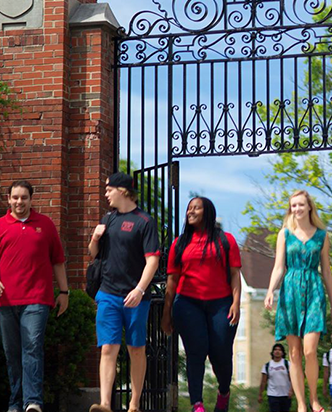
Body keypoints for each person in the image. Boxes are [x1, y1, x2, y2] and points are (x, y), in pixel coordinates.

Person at [0, 180, 69, 412]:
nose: (19, 202)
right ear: (8, 199)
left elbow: (58, 261)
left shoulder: (45, 225)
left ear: (31, 199)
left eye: (24, 197)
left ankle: (33, 402)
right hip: (4, 301)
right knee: (12, 354)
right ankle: (15, 402)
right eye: (15, 197)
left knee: (32, 347)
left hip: (37, 300)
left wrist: (64, 292)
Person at [88, 173, 160, 412]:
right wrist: (95, 238)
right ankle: (106, 404)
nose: (106, 193)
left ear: (123, 190)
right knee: (108, 347)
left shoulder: (145, 221)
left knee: (136, 349)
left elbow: (152, 261)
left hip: (135, 298)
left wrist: (140, 290)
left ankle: (134, 404)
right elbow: (93, 254)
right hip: (108, 293)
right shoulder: (107, 219)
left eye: (109, 189)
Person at [161, 196, 241, 412]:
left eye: (196, 208)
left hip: (221, 303)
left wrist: (236, 303)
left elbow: (234, 274)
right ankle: (197, 404)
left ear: (208, 212)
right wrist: (166, 313)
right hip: (187, 304)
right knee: (195, 352)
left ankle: (224, 392)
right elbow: (172, 281)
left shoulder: (226, 240)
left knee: (221, 353)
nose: (190, 212)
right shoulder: (180, 243)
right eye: (189, 208)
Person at [264, 190, 332, 412]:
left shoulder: (322, 236)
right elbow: (279, 267)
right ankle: (301, 404)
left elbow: (326, 271)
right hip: (290, 293)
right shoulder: (284, 234)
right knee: (294, 353)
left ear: (309, 208)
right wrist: (270, 291)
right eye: (293, 206)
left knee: (309, 350)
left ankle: (314, 399)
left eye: (300, 205)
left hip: (314, 291)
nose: (296, 209)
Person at [258, 343, 293, 412]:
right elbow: (263, 381)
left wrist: (291, 390)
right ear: (272, 352)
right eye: (275, 350)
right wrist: (260, 394)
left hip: (285, 394)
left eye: (279, 350)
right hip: (272, 394)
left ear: (282, 353)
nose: (277, 351)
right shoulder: (267, 365)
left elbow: (292, 379)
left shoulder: (287, 364)